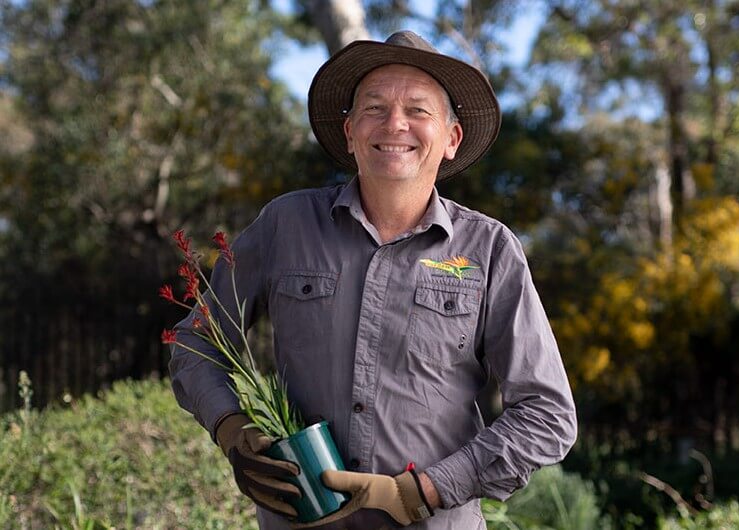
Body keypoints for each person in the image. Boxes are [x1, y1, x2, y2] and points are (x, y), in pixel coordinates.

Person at [169, 30, 577, 530]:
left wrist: (421, 491)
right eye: (375, 108)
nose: (395, 124)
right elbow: (196, 342)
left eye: (419, 111)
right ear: (349, 133)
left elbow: (547, 414)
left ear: (451, 139)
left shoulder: (489, 250)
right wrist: (234, 430)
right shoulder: (286, 226)